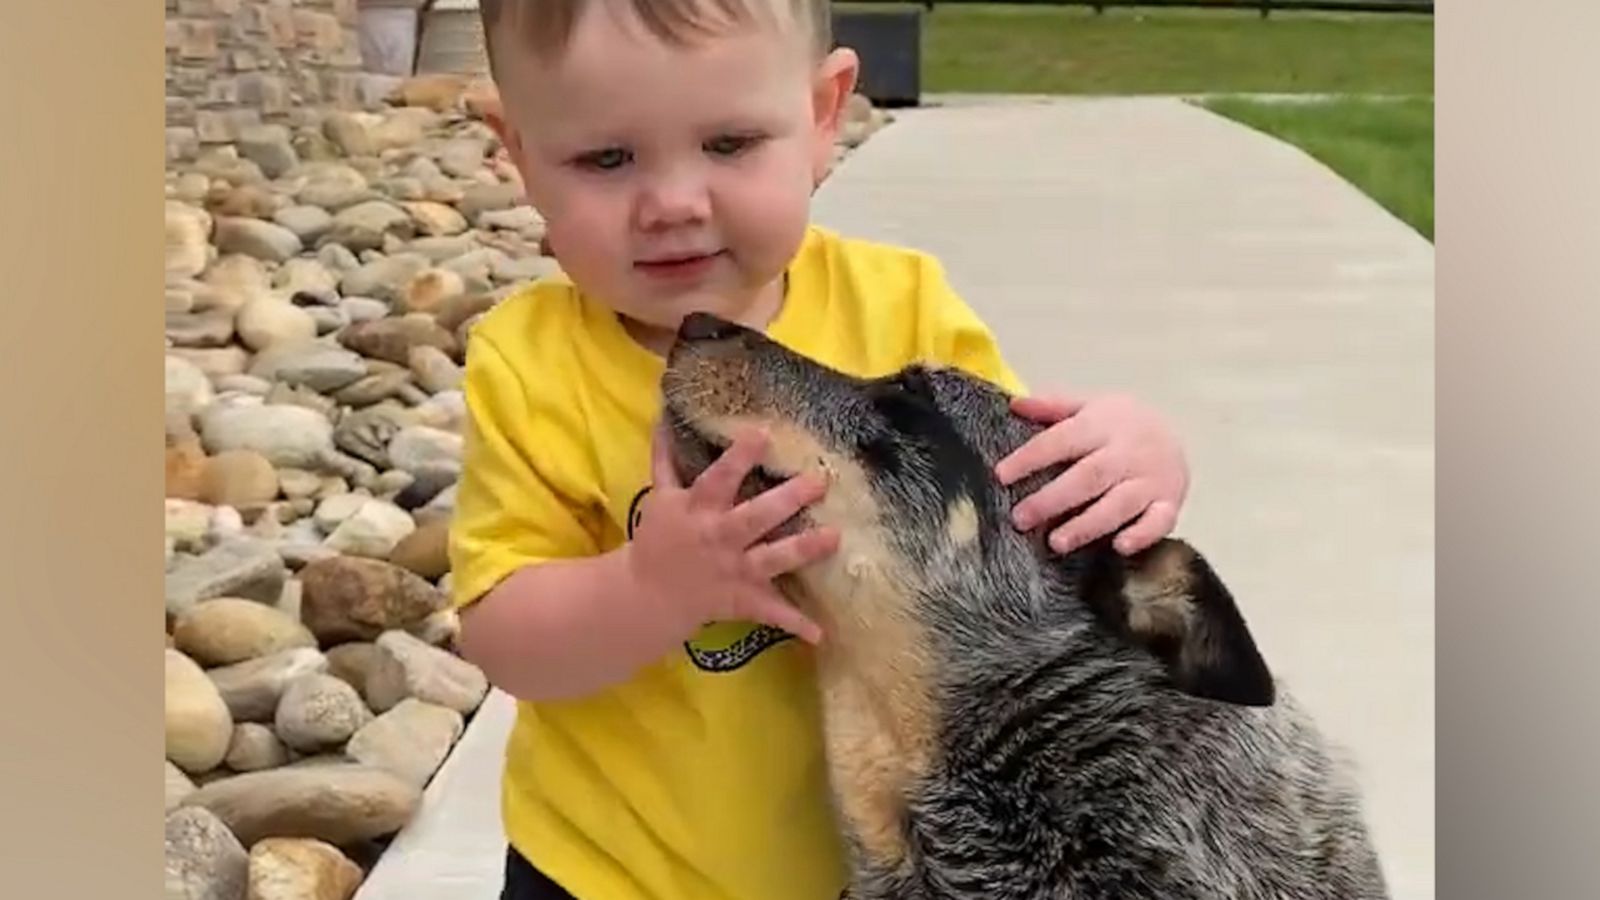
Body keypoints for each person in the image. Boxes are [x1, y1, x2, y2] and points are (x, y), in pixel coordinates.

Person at [448, 1, 1191, 898]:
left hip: (870, 866)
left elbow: (1018, 503)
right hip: (606, 871)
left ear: (823, 114)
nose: (675, 205)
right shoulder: (530, 367)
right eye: (607, 159)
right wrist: (650, 588)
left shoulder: (900, 308)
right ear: (518, 153)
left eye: (728, 144)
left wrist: (1130, 455)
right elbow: (504, 640)